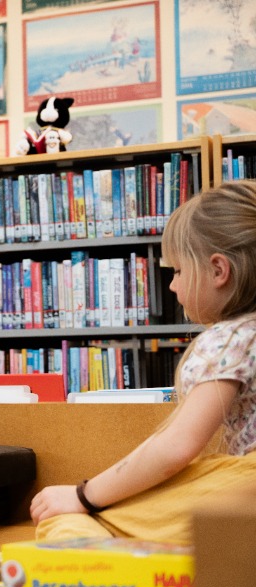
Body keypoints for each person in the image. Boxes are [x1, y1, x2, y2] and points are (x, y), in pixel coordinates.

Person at [30, 179, 256, 543]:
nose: (172, 287)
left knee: (73, 517)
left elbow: (176, 448)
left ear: (218, 271)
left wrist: (82, 495)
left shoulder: (229, 339)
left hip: (244, 487)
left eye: (178, 271)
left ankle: (77, 573)